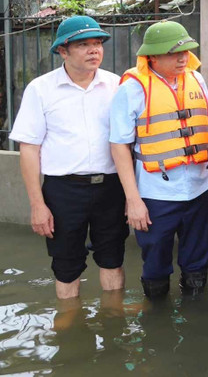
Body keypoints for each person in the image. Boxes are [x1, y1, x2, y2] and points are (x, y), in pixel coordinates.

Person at [10, 16, 127, 299]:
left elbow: (128, 143)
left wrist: (132, 196)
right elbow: (29, 149)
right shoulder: (41, 89)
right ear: (63, 50)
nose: (94, 50)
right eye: (84, 44)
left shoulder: (118, 85)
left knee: (113, 256)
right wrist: (37, 204)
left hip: (111, 185)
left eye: (98, 43)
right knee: (65, 262)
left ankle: (113, 320)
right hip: (63, 189)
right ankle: (69, 326)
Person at [110, 20, 208, 299]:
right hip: (156, 193)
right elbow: (119, 146)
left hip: (199, 187)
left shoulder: (196, 78)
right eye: (174, 53)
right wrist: (133, 200)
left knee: (198, 259)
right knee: (155, 262)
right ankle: (156, 322)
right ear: (152, 55)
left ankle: (197, 314)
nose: (182, 58)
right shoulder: (131, 89)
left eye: (185, 51)